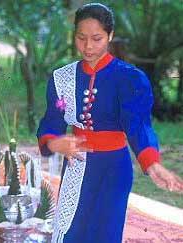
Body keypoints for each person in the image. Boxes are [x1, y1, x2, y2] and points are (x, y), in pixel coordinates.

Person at [36, 3, 183, 243]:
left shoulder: (129, 78)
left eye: (97, 38)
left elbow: (138, 125)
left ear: (110, 36)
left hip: (114, 168)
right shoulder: (62, 78)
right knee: (70, 231)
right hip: (77, 166)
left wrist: (152, 163)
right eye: (81, 38)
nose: (88, 46)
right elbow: (52, 121)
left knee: (105, 233)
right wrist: (53, 143)